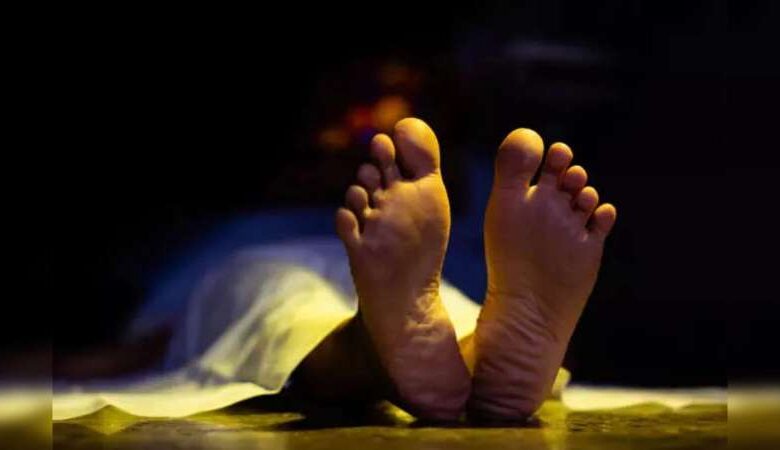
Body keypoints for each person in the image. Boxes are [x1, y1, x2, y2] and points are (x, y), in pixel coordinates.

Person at [53, 118, 616, 424]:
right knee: (448, 308)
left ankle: (383, 350)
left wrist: (58, 368)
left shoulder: (217, 242)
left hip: (293, 269)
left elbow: (140, 351)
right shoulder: (224, 231)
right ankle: (470, 352)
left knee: (282, 311)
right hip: (408, 272)